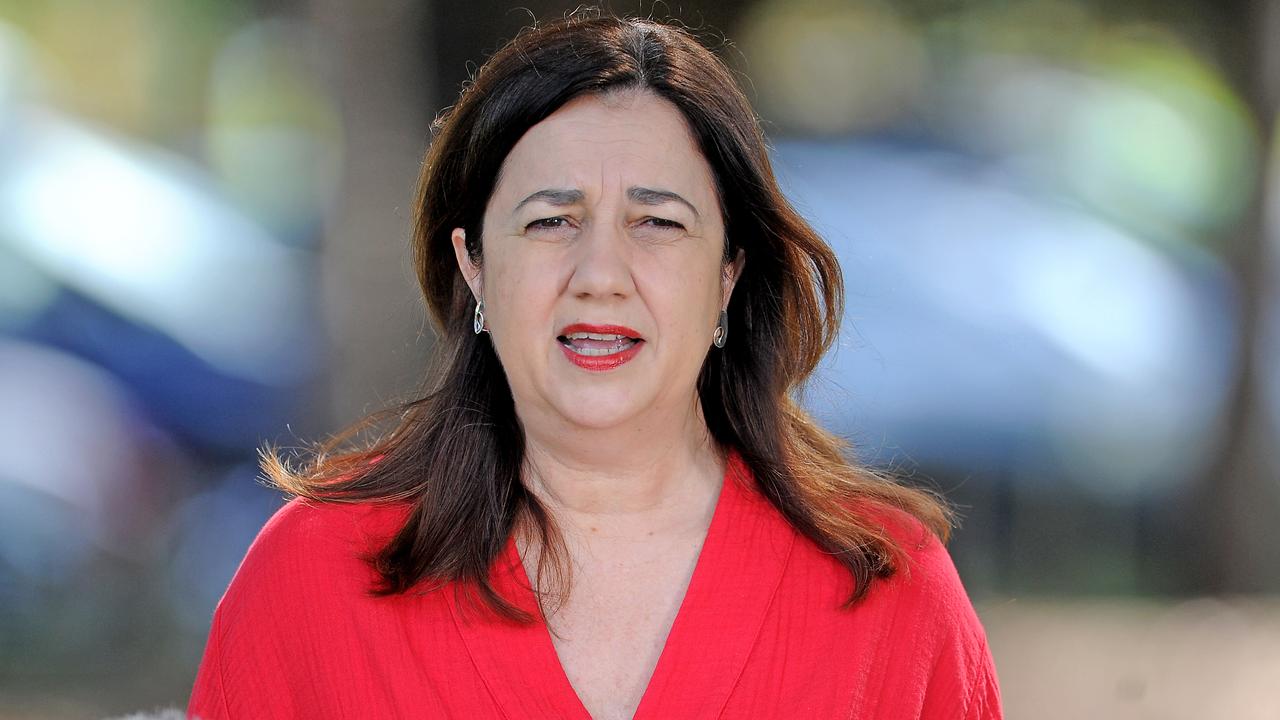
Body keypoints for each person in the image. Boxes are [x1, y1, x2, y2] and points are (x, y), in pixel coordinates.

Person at [187, 10, 1002, 720]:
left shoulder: (890, 593)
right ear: (474, 266)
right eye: (550, 222)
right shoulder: (312, 581)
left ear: (729, 272)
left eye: (657, 222)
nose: (601, 272)